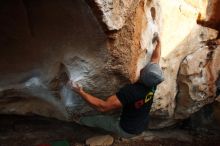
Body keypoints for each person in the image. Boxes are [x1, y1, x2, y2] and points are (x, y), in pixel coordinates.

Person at [69, 34, 164, 138]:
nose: (143, 68)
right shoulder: (154, 81)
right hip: (141, 125)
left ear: (142, 73)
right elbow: (155, 59)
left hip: (126, 130)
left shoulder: (131, 91)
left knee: (98, 120)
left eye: (145, 68)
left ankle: (79, 120)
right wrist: (159, 43)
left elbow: (103, 107)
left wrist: (80, 92)